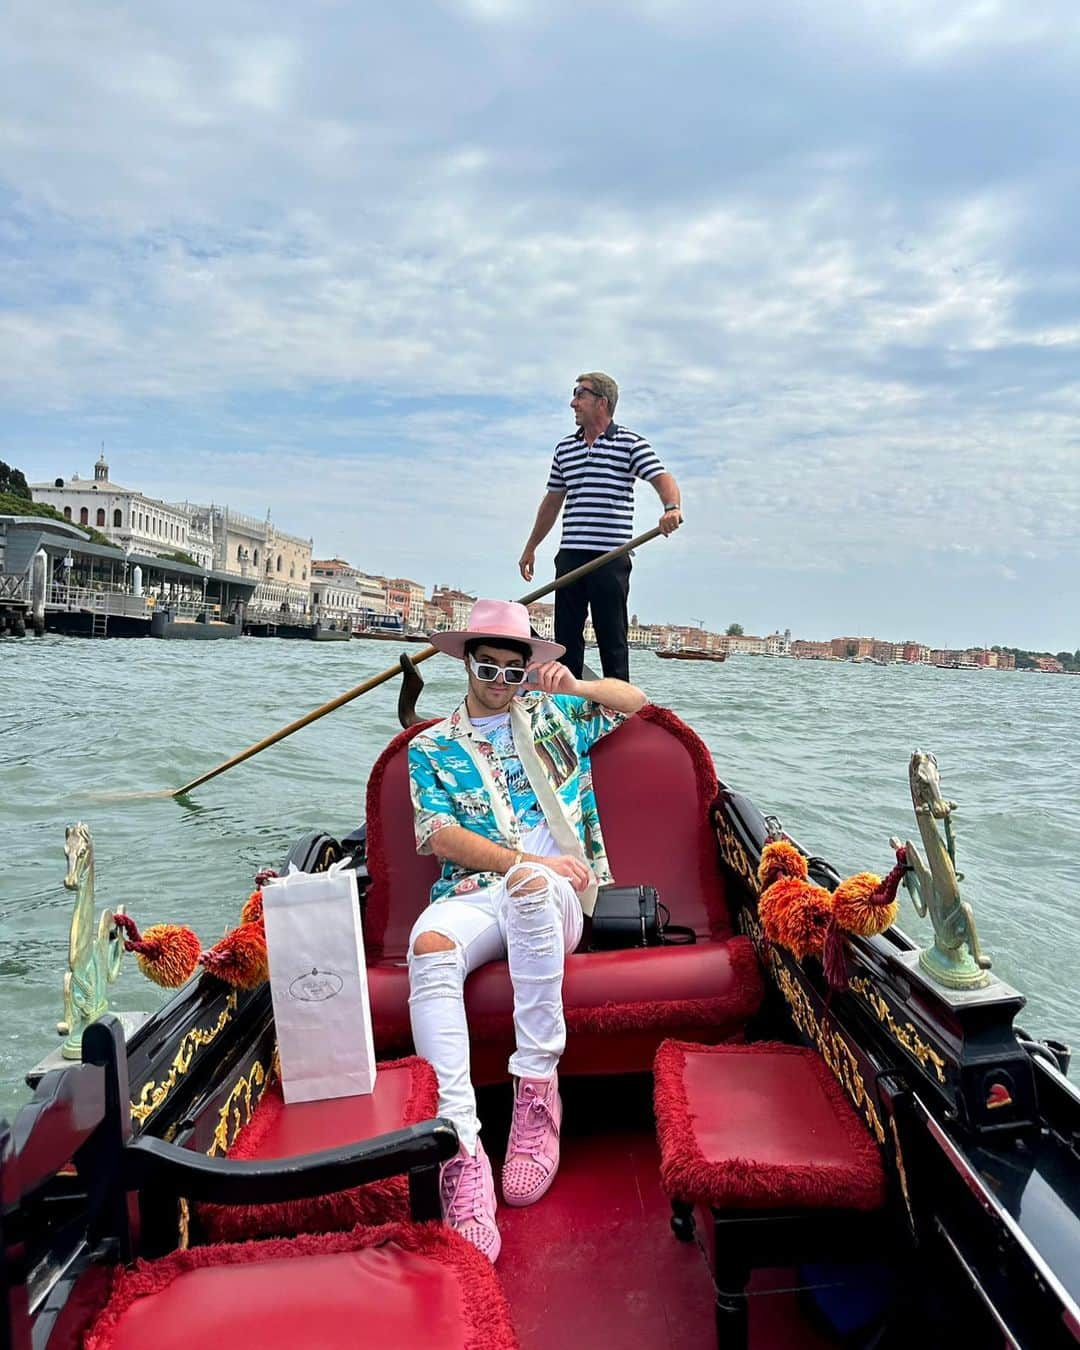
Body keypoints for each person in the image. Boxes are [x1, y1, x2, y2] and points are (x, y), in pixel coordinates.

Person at [407, 597, 646, 1262]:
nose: (502, 680)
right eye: (490, 666)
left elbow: (636, 700)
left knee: (534, 886)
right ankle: (459, 1148)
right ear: (468, 661)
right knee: (429, 947)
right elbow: (439, 835)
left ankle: (538, 1097)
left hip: (556, 897)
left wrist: (577, 685)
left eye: (515, 669)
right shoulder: (431, 746)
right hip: (477, 891)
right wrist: (525, 859)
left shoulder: (555, 716)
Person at [518, 371, 683, 681]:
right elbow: (552, 502)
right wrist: (531, 547)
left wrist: (671, 508)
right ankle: (566, 698)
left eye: (580, 394)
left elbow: (663, 478)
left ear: (602, 403)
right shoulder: (565, 449)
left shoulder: (630, 443)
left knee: (612, 637)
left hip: (610, 557)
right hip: (570, 556)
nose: (573, 402)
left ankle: (618, 702)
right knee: (565, 639)